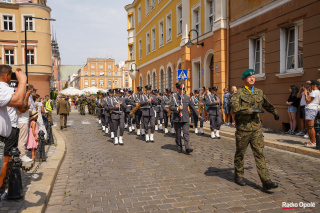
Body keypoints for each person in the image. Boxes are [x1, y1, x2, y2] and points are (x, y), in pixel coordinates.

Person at [231, 69, 279, 190]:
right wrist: (252, 110)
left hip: (256, 128)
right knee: (240, 153)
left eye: (253, 76)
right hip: (243, 129)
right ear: (244, 79)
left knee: (259, 153)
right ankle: (239, 176)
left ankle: (266, 181)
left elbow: (267, 104)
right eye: (249, 77)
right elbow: (236, 108)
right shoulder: (238, 93)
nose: (252, 78)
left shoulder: (259, 92)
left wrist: (274, 112)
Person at [0, 67, 27, 194]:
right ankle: (2, 190)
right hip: (6, 134)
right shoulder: (2, 88)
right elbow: (19, 102)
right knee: (6, 160)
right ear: (7, 76)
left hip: (7, 133)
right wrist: (22, 82)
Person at [170, 83, 201, 153]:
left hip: (185, 118)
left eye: (183, 89)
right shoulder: (174, 97)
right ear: (177, 89)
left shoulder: (187, 97)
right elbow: (171, 107)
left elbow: (192, 106)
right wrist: (177, 108)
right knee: (178, 134)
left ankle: (187, 147)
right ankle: (179, 146)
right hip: (177, 118)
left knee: (186, 133)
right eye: (180, 89)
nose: (182, 91)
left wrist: (198, 114)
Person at [304, 80, 320, 147]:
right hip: (312, 109)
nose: (310, 86)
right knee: (309, 126)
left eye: (311, 85)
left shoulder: (314, 92)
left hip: (311, 109)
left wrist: (306, 94)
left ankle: (313, 142)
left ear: (315, 85)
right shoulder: (318, 92)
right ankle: (312, 141)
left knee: (310, 126)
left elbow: (307, 101)